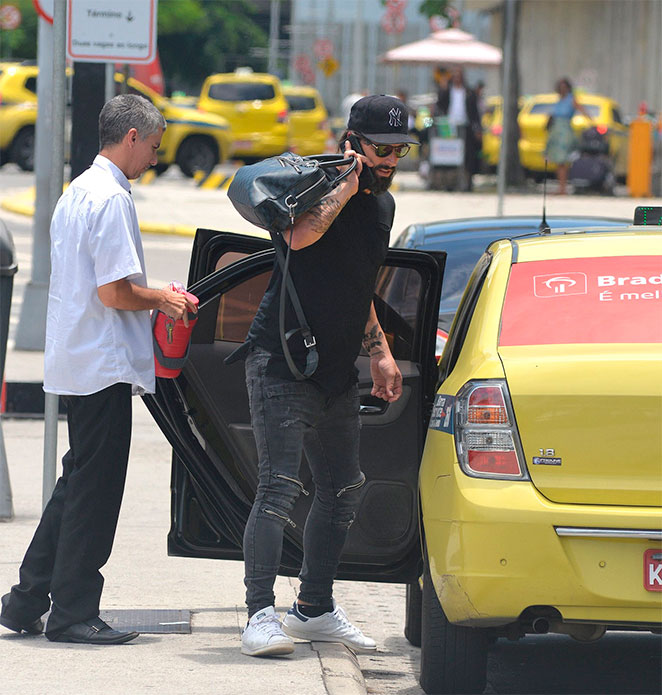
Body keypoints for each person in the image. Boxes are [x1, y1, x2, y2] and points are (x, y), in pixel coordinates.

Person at [0, 94, 195, 645]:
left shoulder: (78, 191)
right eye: (153, 147)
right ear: (131, 137)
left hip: (80, 359)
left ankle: (26, 599)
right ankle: (74, 613)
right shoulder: (111, 199)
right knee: (95, 492)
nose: (154, 158)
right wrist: (165, 299)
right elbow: (115, 292)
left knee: (77, 484)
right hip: (104, 364)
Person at [237, 95, 417, 657]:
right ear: (352, 143)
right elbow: (301, 237)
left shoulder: (383, 210)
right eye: (381, 149)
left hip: (337, 371)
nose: (390, 161)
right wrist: (345, 181)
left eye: (400, 150)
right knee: (279, 488)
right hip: (282, 362)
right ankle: (258, 615)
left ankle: (313, 609)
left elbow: (360, 285)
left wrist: (381, 352)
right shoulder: (314, 185)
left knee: (343, 490)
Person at [436, 67, 482, 191]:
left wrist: (478, 128)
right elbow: (439, 104)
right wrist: (443, 88)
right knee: (449, 155)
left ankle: (467, 182)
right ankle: (449, 182)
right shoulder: (447, 90)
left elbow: (475, 113)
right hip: (449, 126)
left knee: (467, 156)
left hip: (465, 127)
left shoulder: (468, 92)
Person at [544, 77, 592, 195]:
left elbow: (583, 110)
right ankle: (561, 187)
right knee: (556, 160)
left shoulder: (571, 100)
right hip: (555, 131)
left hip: (564, 133)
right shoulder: (558, 100)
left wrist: (591, 123)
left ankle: (562, 188)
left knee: (562, 160)